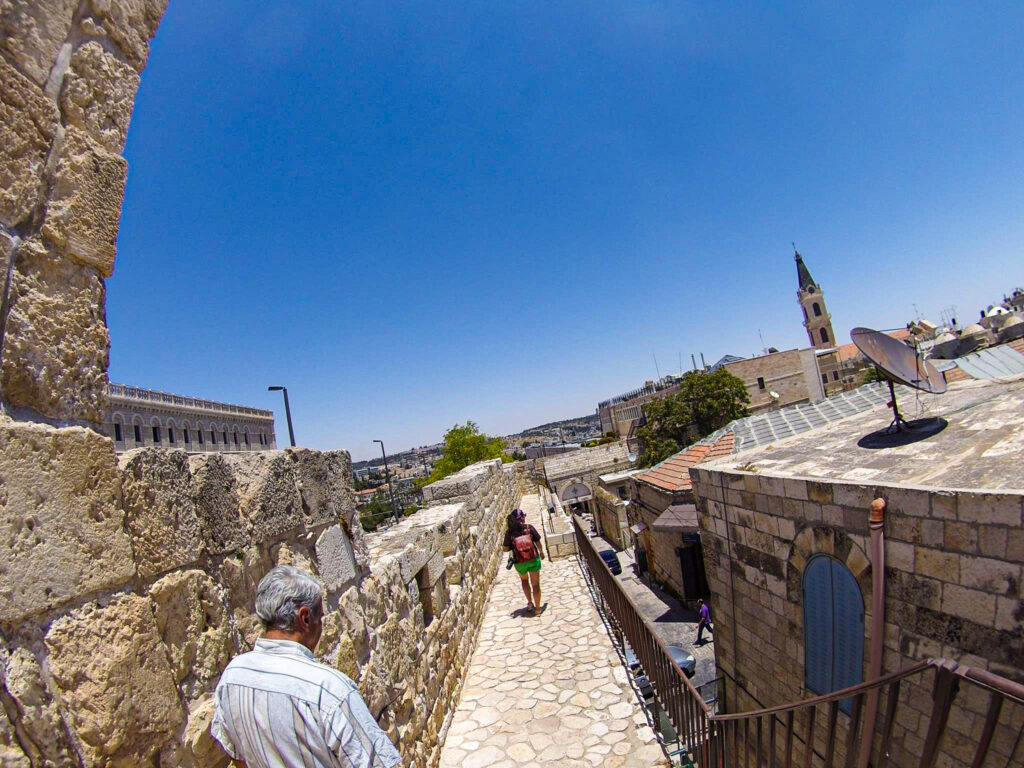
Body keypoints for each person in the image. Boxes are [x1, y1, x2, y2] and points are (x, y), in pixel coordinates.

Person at [212, 565, 402, 768]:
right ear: (304, 618)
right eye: (319, 616)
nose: (321, 624)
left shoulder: (232, 676)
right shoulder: (329, 690)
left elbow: (238, 757)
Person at [502, 508, 544, 613]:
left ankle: (530, 603)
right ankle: (538, 609)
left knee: (524, 581)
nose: (525, 517)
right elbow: (538, 541)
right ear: (521, 518)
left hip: (519, 562)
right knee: (535, 584)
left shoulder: (510, 533)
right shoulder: (529, 528)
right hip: (533, 559)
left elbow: (505, 549)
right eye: (524, 515)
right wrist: (541, 552)